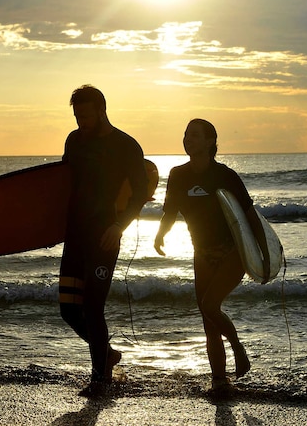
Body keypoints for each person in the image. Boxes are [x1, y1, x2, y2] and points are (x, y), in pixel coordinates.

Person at [153, 119, 268, 395]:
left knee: (209, 305)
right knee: (208, 319)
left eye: (194, 135)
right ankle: (219, 381)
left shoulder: (225, 175)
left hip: (231, 252)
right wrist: (160, 234)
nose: (187, 139)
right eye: (185, 135)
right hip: (201, 252)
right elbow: (170, 211)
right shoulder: (178, 175)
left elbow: (249, 216)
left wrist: (263, 253)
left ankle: (238, 348)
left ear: (210, 142)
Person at [60, 85, 149, 397]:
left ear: (101, 110)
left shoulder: (125, 145)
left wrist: (119, 226)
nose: (80, 121)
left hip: (104, 235)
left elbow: (141, 192)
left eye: (85, 115)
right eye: (76, 116)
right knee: (69, 311)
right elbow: (63, 185)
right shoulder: (74, 140)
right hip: (75, 235)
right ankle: (108, 355)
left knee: (93, 306)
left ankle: (100, 379)